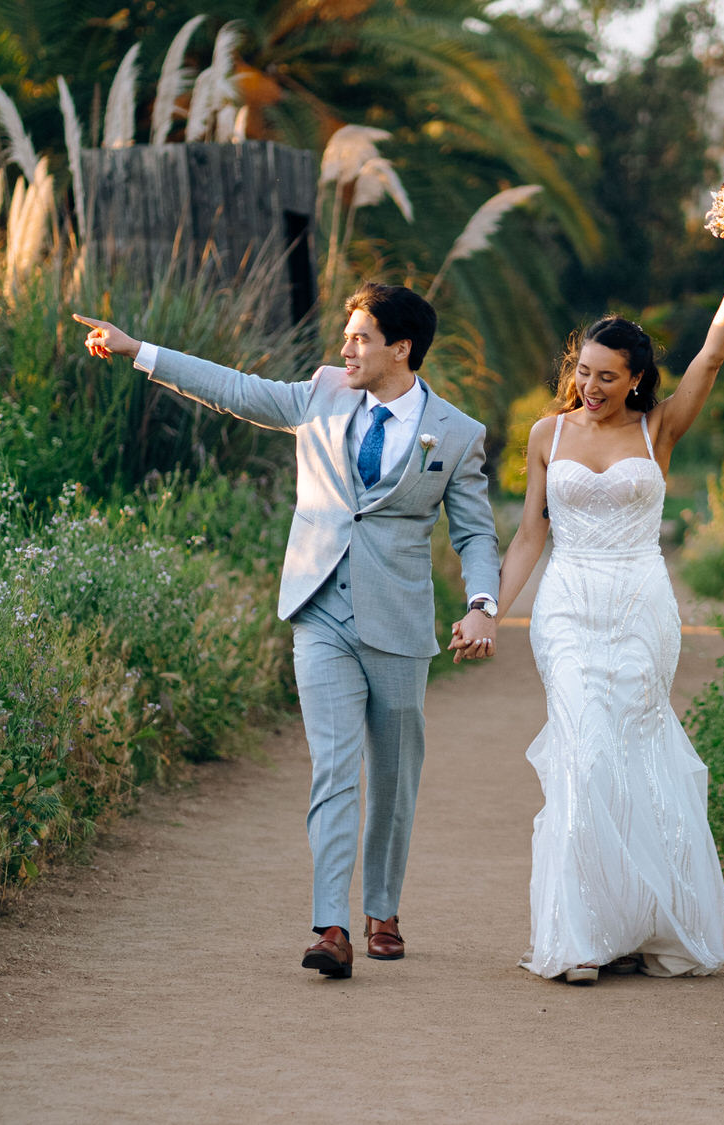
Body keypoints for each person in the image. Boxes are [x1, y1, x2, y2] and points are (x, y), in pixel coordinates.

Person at [74, 284, 502, 981]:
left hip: (398, 622)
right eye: (347, 335)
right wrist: (138, 350)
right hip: (319, 609)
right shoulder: (322, 393)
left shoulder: (456, 432)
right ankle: (332, 926)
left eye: (361, 337)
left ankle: (383, 908)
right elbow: (235, 389)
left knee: (394, 776)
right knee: (334, 767)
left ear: (401, 347)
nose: (346, 348)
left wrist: (482, 603)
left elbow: (477, 533)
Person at [483, 234, 724, 983]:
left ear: (637, 378)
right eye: (583, 371)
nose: (590, 386)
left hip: (642, 606)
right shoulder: (547, 434)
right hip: (567, 606)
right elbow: (529, 535)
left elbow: (712, 356)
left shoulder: (657, 427)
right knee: (584, 750)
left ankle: (642, 918)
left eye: (607, 376)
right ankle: (580, 936)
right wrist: (489, 610)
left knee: (634, 754)